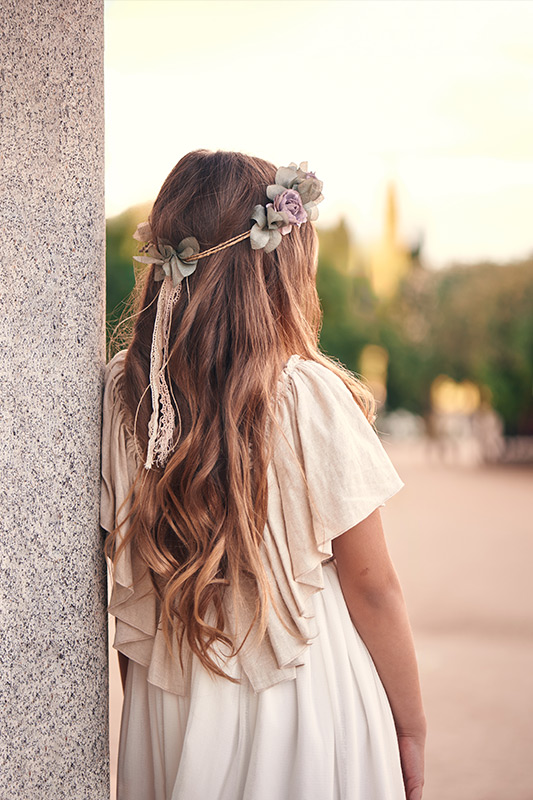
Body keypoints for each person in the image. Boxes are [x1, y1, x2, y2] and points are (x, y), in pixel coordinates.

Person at [100, 150, 426, 800]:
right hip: (301, 689)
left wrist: (149, 720)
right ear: (276, 270)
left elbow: (129, 584)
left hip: (171, 696)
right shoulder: (305, 395)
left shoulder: (122, 398)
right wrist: (411, 726)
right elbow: (373, 585)